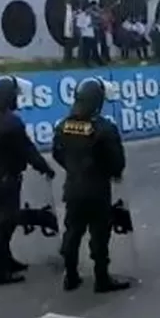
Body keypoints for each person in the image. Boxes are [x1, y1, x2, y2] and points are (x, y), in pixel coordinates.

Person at [0, 75, 55, 286]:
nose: (16, 100)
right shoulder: (10, 122)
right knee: (3, 225)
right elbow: (27, 150)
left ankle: (6, 261)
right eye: (14, 96)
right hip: (3, 179)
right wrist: (45, 168)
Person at [52, 77, 131, 293]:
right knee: (99, 234)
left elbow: (57, 154)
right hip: (97, 189)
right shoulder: (104, 128)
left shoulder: (63, 126)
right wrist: (108, 172)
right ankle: (101, 278)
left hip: (73, 187)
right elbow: (117, 163)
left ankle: (71, 275)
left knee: (73, 231)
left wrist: (73, 168)